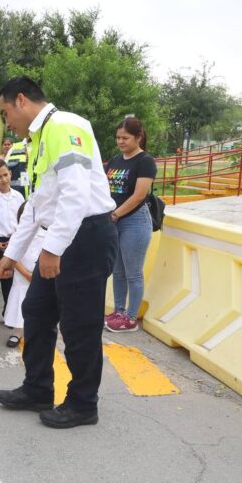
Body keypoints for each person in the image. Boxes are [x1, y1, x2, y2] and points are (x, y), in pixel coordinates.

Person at [0, 76, 117, 429]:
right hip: (62, 236)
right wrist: (12, 254)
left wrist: (53, 250)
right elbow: (37, 203)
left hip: (85, 237)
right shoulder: (40, 137)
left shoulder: (64, 126)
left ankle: (82, 403)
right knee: (36, 310)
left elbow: (75, 196)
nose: (7, 121)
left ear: (21, 100)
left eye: (5, 112)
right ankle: (38, 389)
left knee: (79, 326)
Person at [104, 117, 157, 333]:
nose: (120, 141)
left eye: (125, 137)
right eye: (118, 137)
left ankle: (131, 317)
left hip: (134, 221)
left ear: (138, 137)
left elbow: (138, 196)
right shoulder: (116, 160)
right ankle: (118, 311)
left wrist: (115, 214)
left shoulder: (145, 161)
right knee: (117, 270)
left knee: (133, 272)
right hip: (114, 219)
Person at [0, 158, 25, 328]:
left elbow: (23, 220)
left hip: (14, 242)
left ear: (10, 173)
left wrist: (16, 241)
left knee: (10, 279)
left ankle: (8, 312)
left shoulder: (18, 196)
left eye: (5, 174)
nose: (3, 179)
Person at [3, 202, 43, 348]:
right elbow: (14, 256)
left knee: (39, 305)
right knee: (19, 302)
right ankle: (17, 332)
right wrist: (26, 273)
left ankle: (37, 333)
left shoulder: (47, 234)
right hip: (22, 277)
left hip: (40, 275)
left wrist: (37, 273)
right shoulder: (18, 235)